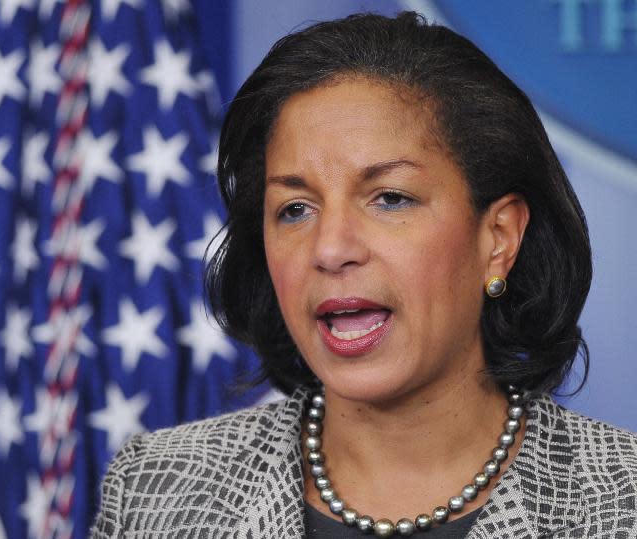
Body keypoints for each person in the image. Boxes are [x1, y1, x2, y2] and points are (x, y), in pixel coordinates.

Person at [90, 12, 637, 538]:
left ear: (498, 239)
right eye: (295, 209)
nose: (329, 249)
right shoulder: (157, 489)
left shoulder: (621, 500)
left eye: (390, 198)